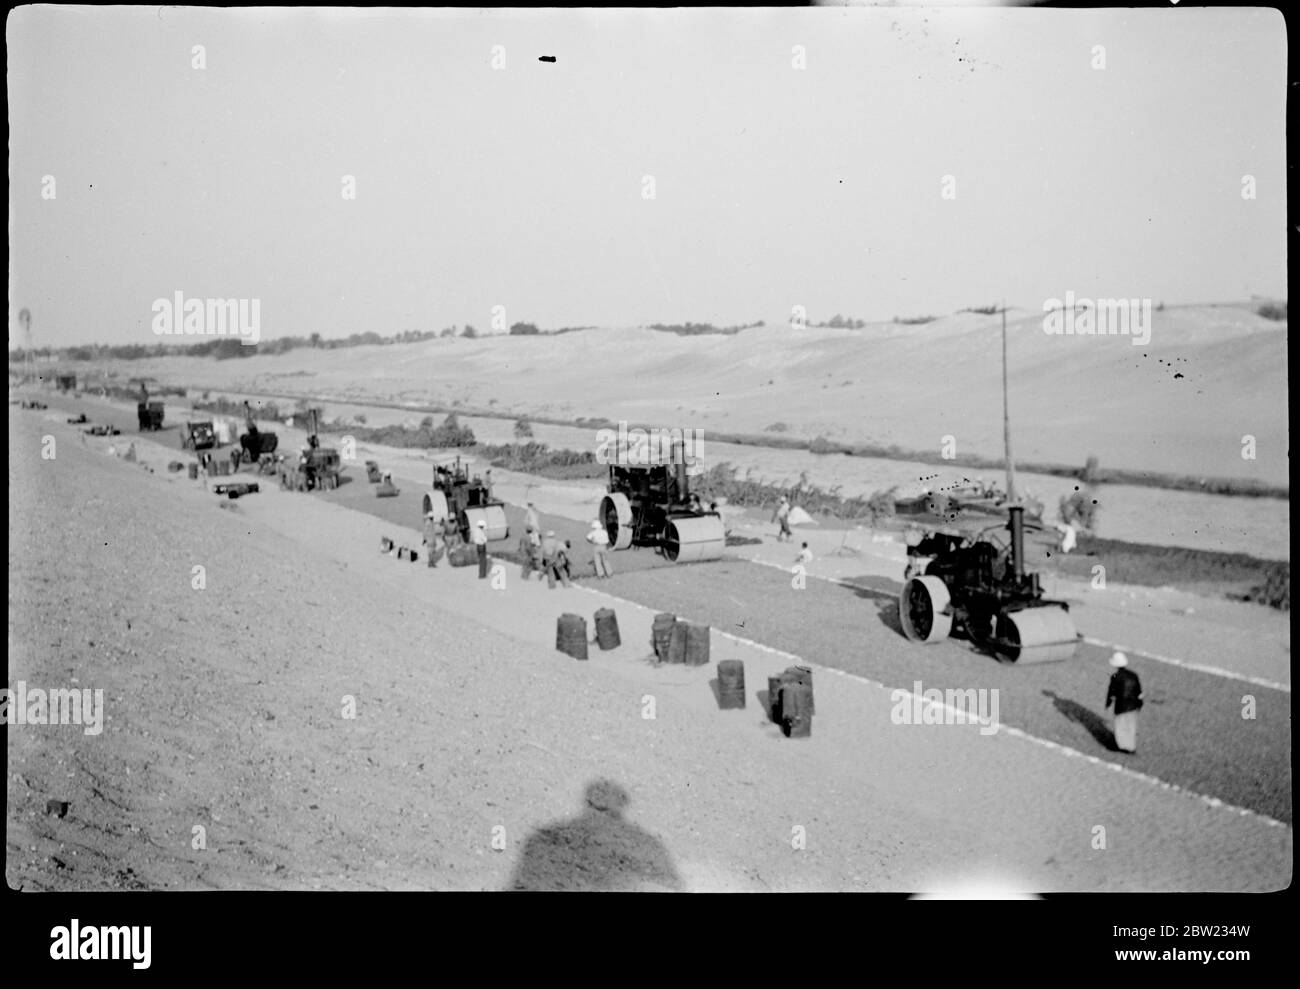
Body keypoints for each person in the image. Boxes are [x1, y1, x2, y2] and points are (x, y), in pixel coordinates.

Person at [1104, 652, 1143, 754]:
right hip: (1133, 706)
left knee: (1121, 727)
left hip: (1121, 706)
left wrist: (1108, 703)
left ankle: (1122, 746)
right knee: (1131, 727)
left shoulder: (1115, 677)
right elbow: (1139, 692)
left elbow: (1111, 692)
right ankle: (1131, 747)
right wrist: (1139, 704)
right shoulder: (1133, 675)